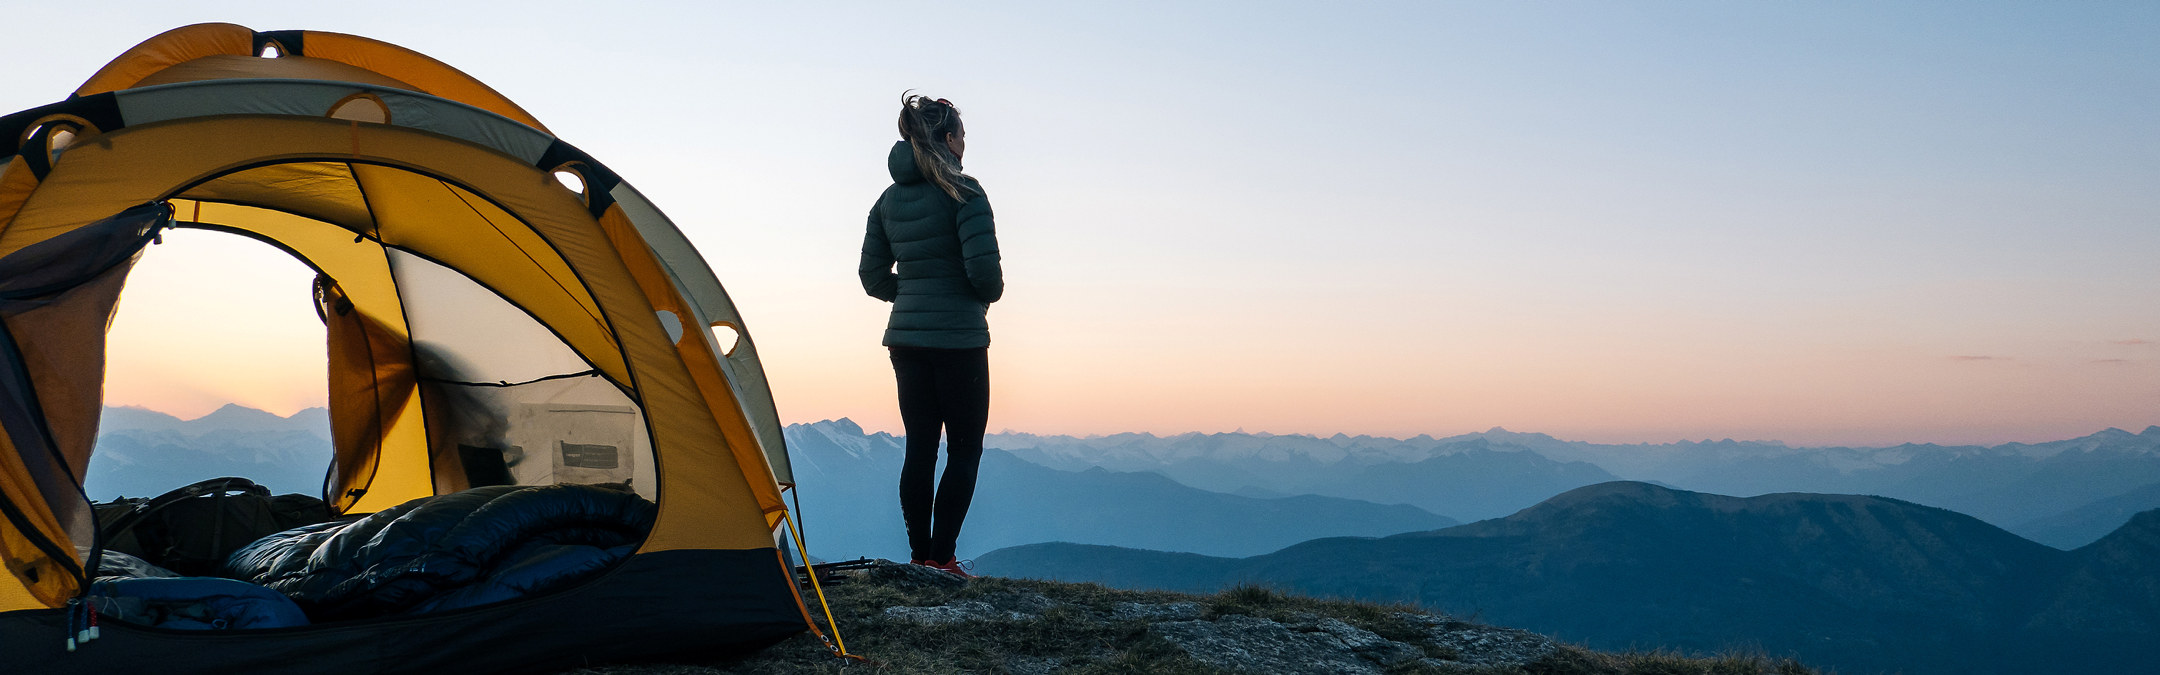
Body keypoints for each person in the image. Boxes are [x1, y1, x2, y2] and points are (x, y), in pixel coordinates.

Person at [859, 94, 1003, 577]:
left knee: (920, 445)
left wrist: (916, 290)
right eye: (962, 135)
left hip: (906, 340)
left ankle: (920, 555)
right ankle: (943, 559)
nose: (966, 144)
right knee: (964, 448)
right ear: (948, 139)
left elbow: (874, 278)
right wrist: (961, 293)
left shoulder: (886, 200)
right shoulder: (965, 191)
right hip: (960, 339)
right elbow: (987, 279)